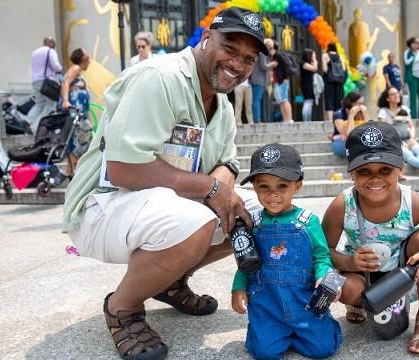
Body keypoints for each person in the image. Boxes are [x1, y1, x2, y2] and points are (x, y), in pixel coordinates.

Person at [62, 7, 269, 360]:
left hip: (154, 207)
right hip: (104, 207)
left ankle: (169, 281)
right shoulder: (160, 77)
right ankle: (122, 308)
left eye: (248, 59)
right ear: (206, 38)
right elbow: (124, 169)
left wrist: (222, 184)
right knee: (195, 220)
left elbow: (228, 162)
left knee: (258, 215)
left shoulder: (221, 100)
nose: (237, 64)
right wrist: (212, 188)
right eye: (230, 49)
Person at [321, 122, 419, 356]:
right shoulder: (343, 204)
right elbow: (322, 251)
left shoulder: (410, 201)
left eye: (385, 170)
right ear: (352, 172)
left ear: (401, 168)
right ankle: (359, 302)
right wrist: (350, 263)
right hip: (361, 275)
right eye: (364, 171)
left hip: (403, 277)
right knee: (348, 289)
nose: (375, 179)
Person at [232, 144, 343, 359]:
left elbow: (322, 256)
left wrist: (323, 277)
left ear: (297, 186)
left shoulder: (308, 221)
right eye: (264, 186)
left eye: (282, 186)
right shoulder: (252, 223)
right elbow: (245, 260)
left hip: (304, 301)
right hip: (267, 304)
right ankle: (269, 333)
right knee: (265, 354)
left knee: (323, 349)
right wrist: (238, 287)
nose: (273, 194)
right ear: (254, 187)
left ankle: (313, 329)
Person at [377, 87, 419, 178]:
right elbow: (383, 129)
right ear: (387, 98)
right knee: (408, 154)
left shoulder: (404, 109)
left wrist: (412, 138)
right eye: (393, 94)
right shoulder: (383, 111)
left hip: (408, 138)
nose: (397, 95)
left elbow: (411, 126)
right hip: (393, 141)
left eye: (397, 93)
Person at [60, 48, 93, 177]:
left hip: (80, 113)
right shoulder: (75, 68)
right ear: (82, 58)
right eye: (87, 55)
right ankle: (77, 171)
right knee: (79, 139)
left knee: (80, 138)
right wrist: (65, 101)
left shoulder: (78, 71)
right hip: (75, 113)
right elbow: (65, 82)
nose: (89, 58)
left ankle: (71, 171)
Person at [27, 36, 63, 132]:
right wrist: (60, 69)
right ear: (50, 43)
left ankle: (28, 121)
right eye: (53, 43)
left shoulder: (35, 53)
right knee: (51, 104)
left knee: (39, 103)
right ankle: (46, 125)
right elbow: (56, 66)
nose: (54, 45)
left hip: (35, 81)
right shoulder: (50, 51)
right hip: (46, 82)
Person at [331, 91, 370, 157]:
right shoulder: (339, 114)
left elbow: (369, 129)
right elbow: (346, 134)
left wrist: (366, 114)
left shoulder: (360, 112)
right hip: (341, 142)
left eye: (363, 104)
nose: (361, 106)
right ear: (351, 103)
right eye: (359, 103)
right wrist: (351, 116)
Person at [268, 40, 293, 122]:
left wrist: (286, 78)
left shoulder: (278, 55)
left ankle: (289, 119)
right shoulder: (272, 57)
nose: (269, 49)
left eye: (271, 47)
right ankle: (286, 119)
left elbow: (286, 66)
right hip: (276, 82)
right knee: (281, 101)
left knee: (284, 99)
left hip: (282, 81)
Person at [249, 51, 276, 123]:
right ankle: (257, 120)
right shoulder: (263, 54)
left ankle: (257, 119)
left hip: (257, 80)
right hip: (259, 80)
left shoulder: (259, 54)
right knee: (256, 100)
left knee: (256, 100)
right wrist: (273, 64)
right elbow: (263, 66)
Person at [322, 42, 346, 122]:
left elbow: (325, 70)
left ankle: (330, 120)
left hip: (329, 81)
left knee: (329, 100)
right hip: (339, 81)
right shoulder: (340, 56)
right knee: (339, 100)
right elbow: (344, 69)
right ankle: (338, 119)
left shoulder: (325, 56)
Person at [300, 48, 319, 122]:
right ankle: (306, 120)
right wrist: (314, 59)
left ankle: (308, 119)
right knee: (307, 102)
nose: (313, 57)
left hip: (309, 84)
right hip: (306, 85)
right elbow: (315, 69)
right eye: (312, 55)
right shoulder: (303, 64)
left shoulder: (306, 63)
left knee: (310, 102)